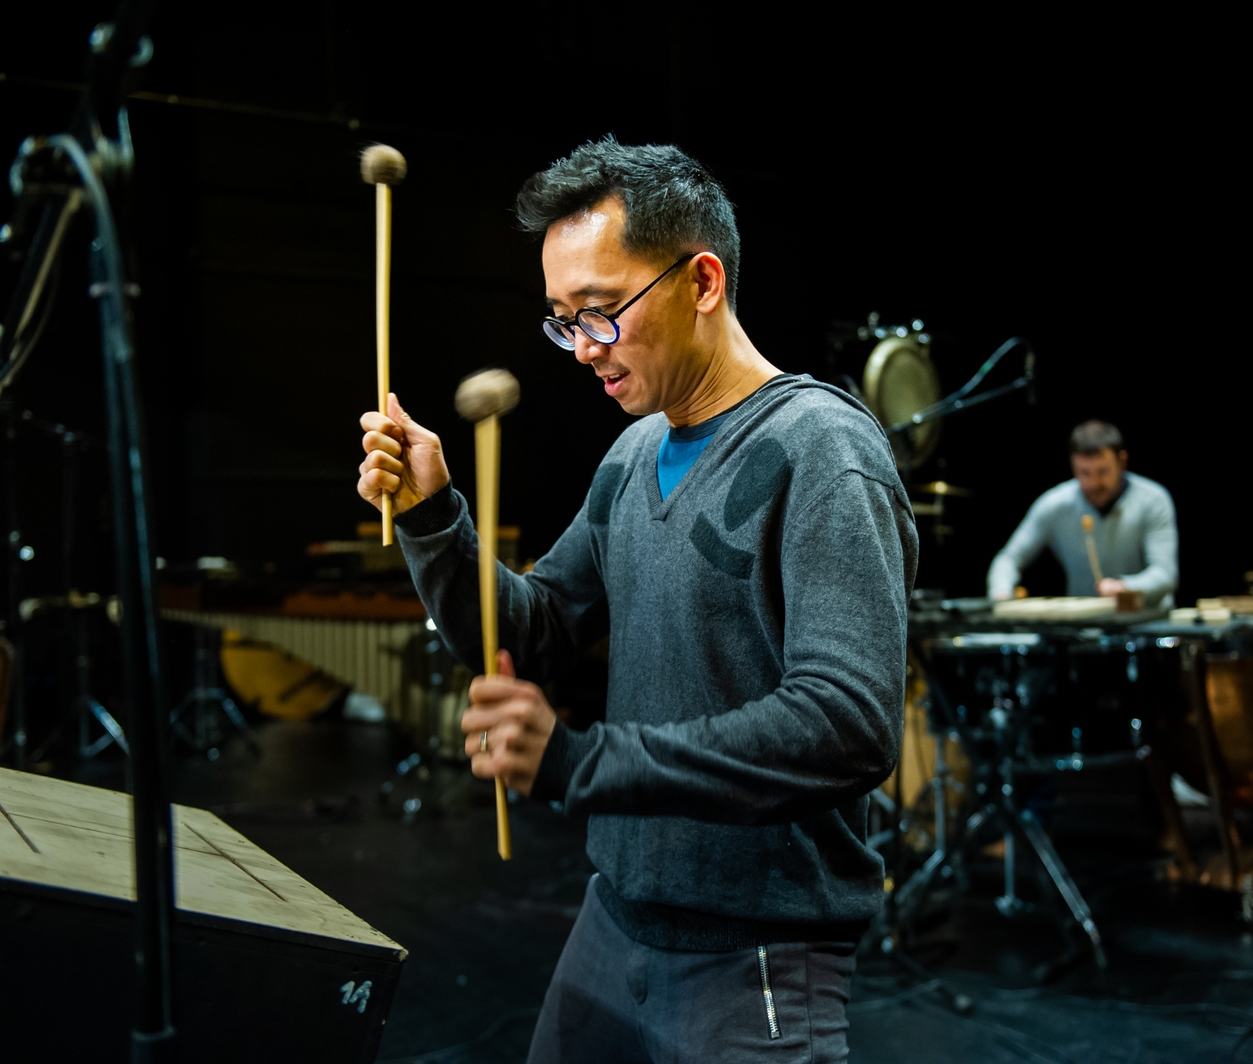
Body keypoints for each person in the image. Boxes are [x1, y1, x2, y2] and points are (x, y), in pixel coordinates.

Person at [357, 137, 916, 1063]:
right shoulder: (631, 454)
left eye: (601, 312)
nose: (581, 348)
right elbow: (532, 634)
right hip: (610, 928)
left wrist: (580, 762)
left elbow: (848, 723)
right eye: (561, 320)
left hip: (757, 960)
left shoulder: (823, 449)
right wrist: (432, 517)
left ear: (702, 281)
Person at [986, 419, 1178, 606]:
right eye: (1084, 473)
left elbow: (1165, 574)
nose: (1094, 483)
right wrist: (1001, 594)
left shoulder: (1153, 500)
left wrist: (1123, 586)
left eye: (1103, 471)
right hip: (1085, 627)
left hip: (1146, 622)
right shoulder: (1056, 504)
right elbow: (1009, 558)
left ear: (1122, 462)